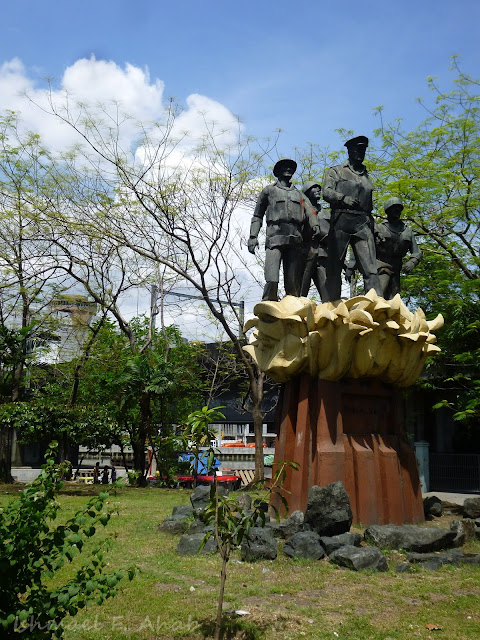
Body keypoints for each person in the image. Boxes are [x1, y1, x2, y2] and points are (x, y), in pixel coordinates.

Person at [248, 158, 320, 301]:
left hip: (294, 240)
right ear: (278, 171)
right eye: (284, 167)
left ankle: (291, 313)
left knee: (292, 284)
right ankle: (268, 306)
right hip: (275, 237)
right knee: (272, 279)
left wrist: (315, 224)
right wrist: (252, 236)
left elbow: (310, 211)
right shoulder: (269, 191)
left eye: (290, 167)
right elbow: (257, 215)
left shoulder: (299, 194)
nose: (288, 169)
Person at [322, 136, 381, 301]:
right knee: (334, 267)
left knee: (370, 268)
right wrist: (343, 198)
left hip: (363, 223)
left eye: (363, 150)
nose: (360, 153)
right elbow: (326, 192)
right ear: (349, 151)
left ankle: (376, 305)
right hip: (341, 220)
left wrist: (374, 226)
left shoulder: (365, 175)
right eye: (357, 149)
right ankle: (331, 307)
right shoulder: (336, 171)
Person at [374, 197, 422, 299]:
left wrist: (411, 262)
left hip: (396, 269)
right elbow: (365, 247)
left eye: (399, 209)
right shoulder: (378, 228)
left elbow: (417, 252)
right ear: (388, 210)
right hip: (380, 267)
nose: (397, 211)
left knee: (394, 300)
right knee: (378, 296)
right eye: (394, 208)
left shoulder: (407, 231)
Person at [300, 181, 330, 301]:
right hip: (305, 255)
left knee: (327, 294)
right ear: (307, 193)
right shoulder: (300, 211)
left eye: (319, 188)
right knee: (301, 293)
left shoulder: (326, 213)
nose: (318, 190)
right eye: (314, 188)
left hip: (322, 257)